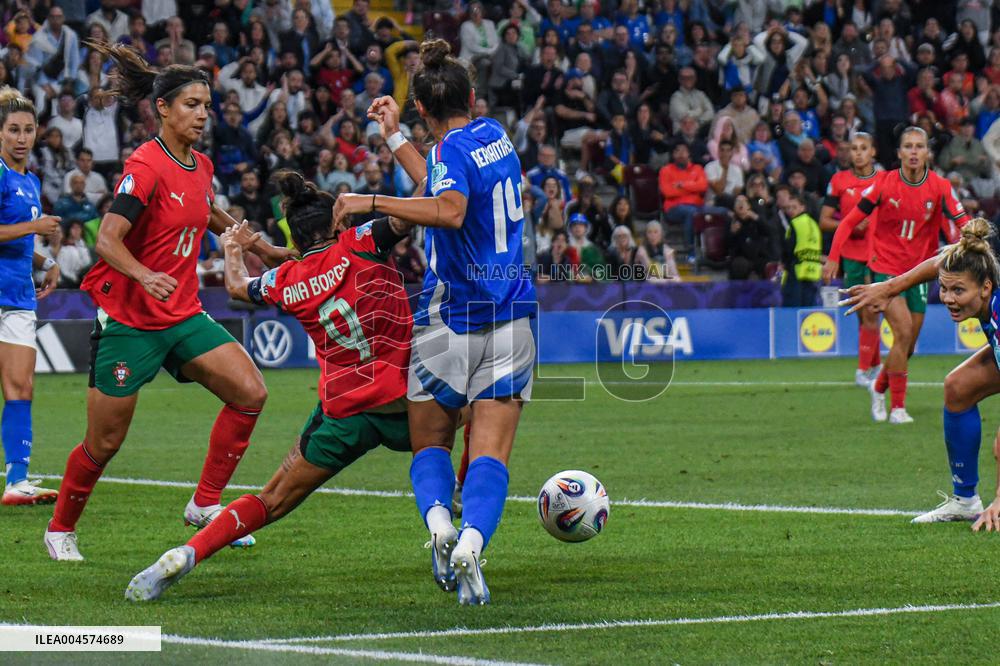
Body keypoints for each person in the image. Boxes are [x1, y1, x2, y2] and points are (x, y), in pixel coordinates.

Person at [44, 41, 292, 562]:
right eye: (192, 105)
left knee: (250, 392)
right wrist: (143, 273)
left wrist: (265, 247)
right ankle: (60, 528)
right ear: (163, 108)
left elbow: (210, 211)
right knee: (104, 444)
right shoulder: (145, 166)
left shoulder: (198, 164)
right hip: (130, 320)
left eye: (206, 105)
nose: (203, 114)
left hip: (181, 313)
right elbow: (106, 240)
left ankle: (204, 505)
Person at [123, 173, 424, 600]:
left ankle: (188, 553)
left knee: (271, 499)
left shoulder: (288, 280)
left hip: (342, 412)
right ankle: (451, 521)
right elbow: (414, 208)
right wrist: (396, 148)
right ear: (336, 224)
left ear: (297, 242)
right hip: (402, 401)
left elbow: (236, 288)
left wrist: (234, 249)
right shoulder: (361, 240)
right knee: (481, 411)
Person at [334, 40, 536, 605]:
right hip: (512, 316)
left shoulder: (450, 153)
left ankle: (441, 529)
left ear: (422, 108)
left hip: (450, 319)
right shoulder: (495, 135)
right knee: (491, 452)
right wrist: (396, 139)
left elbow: (448, 206)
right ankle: (472, 539)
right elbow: (447, 181)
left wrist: (370, 199)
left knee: (431, 445)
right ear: (471, 97)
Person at [840, 218, 1000, 524]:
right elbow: (941, 263)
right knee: (959, 386)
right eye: (944, 289)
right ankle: (965, 501)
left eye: (958, 290)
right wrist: (888, 288)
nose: (949, 299)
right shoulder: (974, 259)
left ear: (985, 287)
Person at [823, 127, 969, 424]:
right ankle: (898, 408)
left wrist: (973, 239)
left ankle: (878, 388)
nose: (914, 152)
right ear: (899, 153)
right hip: (884, 269)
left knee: (909, 344)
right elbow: (848, 221)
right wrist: (834, 257)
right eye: (908, 147)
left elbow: (963, 221)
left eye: (919, 146)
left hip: (920, 272)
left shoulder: (940, 186)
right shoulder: (883, 184)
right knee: (901, 332)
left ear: (927, 152)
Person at [0, 89, 62, 505]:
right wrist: (34, 227)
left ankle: (16, 482)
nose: (22, 138)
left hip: (20, 295)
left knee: (21, 386)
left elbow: (19, 240)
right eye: (13, 130)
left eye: (28, 129)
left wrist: (45, 261)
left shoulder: (31, 180)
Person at [820, 132, 882, 387]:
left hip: (878, 255)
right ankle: (875, 365)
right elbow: (824, 220)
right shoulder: (838, 181)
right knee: (862, 314)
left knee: (870, 312)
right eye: (854, 148)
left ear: (872, 152)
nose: (857, 153)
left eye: (863, 148)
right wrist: (850, 226)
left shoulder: (884, 180)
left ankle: (862, 370)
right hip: (850, 256)